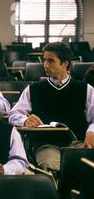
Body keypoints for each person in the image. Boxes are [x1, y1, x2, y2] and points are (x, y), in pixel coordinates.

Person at [9, 42, 94, 171]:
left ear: (65, 63)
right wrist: (24, 120)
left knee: (84, 165)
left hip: (77, 143)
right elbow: (13, 115)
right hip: (45, 145)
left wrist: (92, 131)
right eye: (44, 60)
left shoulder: (85, 89)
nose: (45, 65)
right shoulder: (33, 89)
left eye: (51, 61)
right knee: (52, 164)